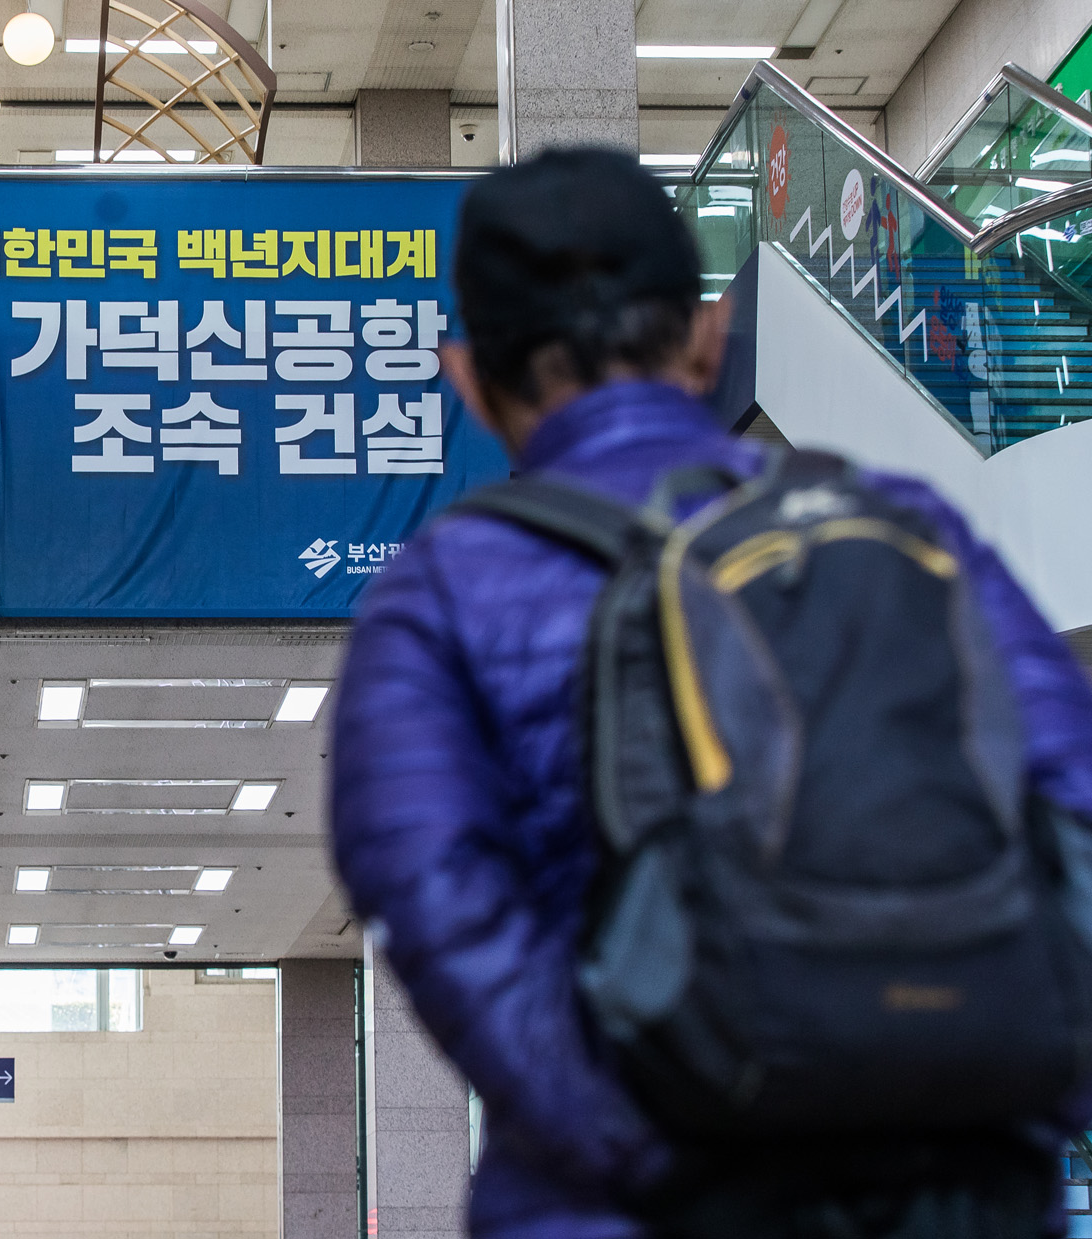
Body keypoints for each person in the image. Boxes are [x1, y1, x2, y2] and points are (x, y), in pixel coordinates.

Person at [327, 147, 1092, 1238]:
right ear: (705, 336)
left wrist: (659, 1141)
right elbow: (1072, 814)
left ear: (468, 379)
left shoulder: (439, 595)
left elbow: (435, 899)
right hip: (952, 1186)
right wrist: (1014, 1114)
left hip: (625, 1205)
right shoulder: (910, 530)